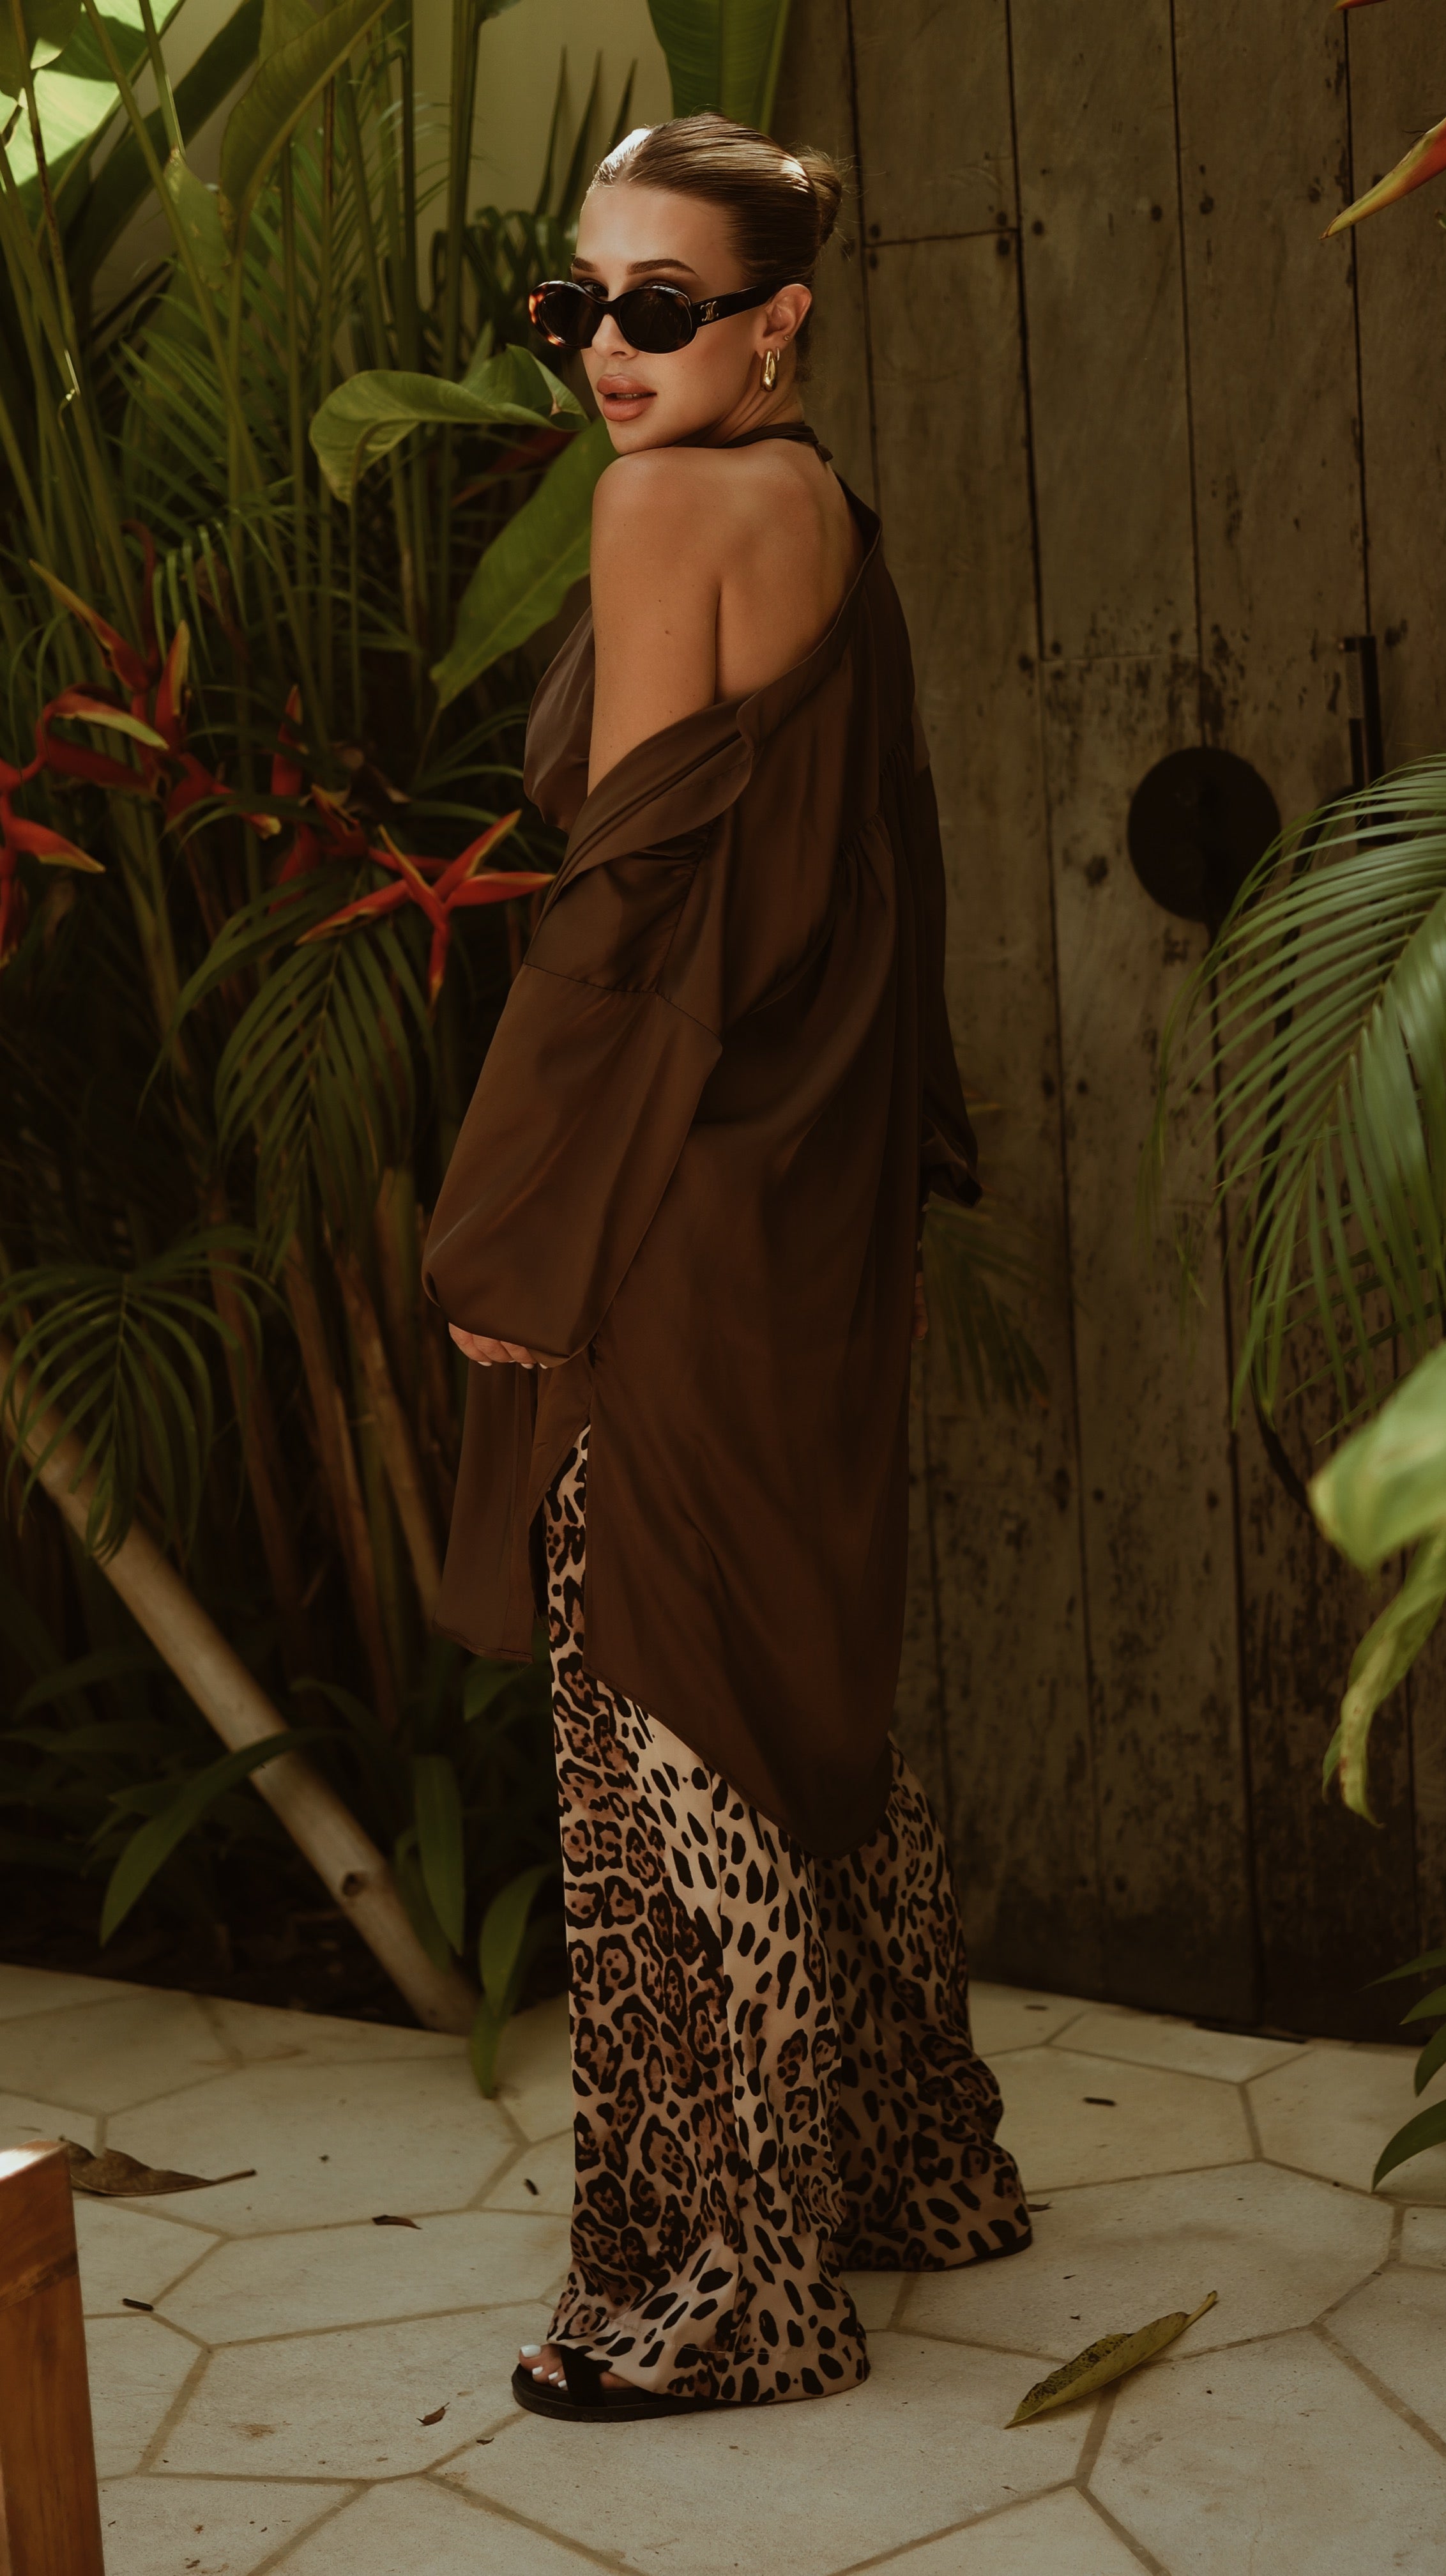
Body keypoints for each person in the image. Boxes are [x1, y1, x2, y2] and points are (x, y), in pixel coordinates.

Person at [421, 112, 1030, 2425]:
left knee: (655, 1696)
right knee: (798, 1665)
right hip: (807, 1175)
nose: (605, 348)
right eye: (572, 305)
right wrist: (902, 1156)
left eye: (657, 307)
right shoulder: (817, 505)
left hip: (670, 1191)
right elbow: (885, 863)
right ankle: (917, 2165)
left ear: (776, 321)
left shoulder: (663, 509)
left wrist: (509, 1224)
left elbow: (626, 915)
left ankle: (738, 2280)